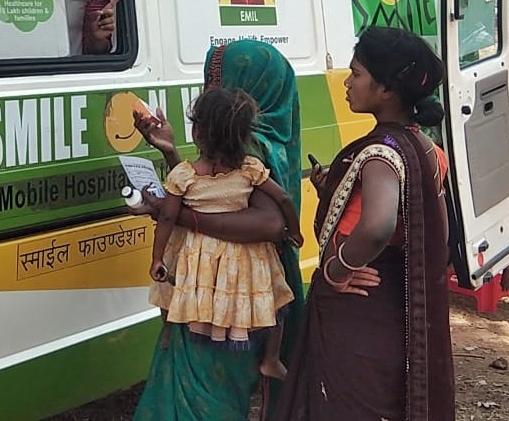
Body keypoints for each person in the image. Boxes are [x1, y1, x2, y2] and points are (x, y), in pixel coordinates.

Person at [273, 26, 454, 421]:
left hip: (358, 303)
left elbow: (377, 226)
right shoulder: (426, 148)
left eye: (356, 74)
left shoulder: (381, 153)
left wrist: (336, 270)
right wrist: (332, 192)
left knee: (344, 402)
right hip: (393, 301)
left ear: (386, 90)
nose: (347, 82)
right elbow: (434, 233)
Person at [128, 40, 305, 421]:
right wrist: (170, 154)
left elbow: (269, 223)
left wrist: (179, 218)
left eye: (219, 79)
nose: (213, 89)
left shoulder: (253, 148)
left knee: (210, 395)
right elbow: (203, 190)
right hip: (209, 291)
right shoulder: (246, 138)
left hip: (231, 297)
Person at [147, 86, 302, 382]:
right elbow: (283, 199)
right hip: (246, 258)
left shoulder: (184, 174)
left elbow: (168, 215)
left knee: (179, 294)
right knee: (277, 302)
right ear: (244, 135)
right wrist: (295, 232)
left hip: (199, 256)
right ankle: (270, 359)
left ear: (197, 133)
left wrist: (157, 258)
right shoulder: (250, 168)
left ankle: (170, 334)